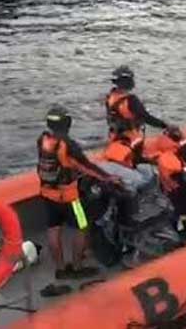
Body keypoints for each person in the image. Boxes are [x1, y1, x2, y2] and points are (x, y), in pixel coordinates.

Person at [37, 105, 119, 294]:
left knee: (53, 229)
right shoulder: (68, 145)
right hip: (70, 197)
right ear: (67, 123)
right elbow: (86, 165)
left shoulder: (42, 139)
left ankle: (60, 268)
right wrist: (107, 178)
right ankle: (76, 266)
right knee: (82, 226)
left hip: (47, 193)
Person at [105, 65, 172, 142]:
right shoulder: (131, 100)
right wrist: (165, 126)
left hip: (115, 137)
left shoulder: (110, 97)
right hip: (132, 139)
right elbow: (147, 118)